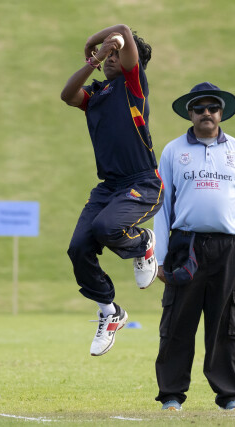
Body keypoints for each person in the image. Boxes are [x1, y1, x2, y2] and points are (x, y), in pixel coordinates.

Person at [153, 82, 235, 411]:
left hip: (228, 247)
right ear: (190, 114)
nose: (206, 113)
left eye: (213, 108)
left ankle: (230, 396)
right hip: (185, 245)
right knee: (177, 322)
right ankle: (171, 395)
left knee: (226, 324)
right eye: (199, 108)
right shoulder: (173, 151)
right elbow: (161, 207)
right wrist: (158, 258)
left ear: (221, 113)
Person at [60, 25, 163, 357]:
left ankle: (143, 243)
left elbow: (121, 29)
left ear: (132, 62)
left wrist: (99, 42)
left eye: (117, 54)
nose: (110, 59)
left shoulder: (133, 84)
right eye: (108, 56)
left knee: (107, 227)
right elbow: (67, 95)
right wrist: (94, 57)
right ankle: (110, 311)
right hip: (108, 188)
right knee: (78, 248)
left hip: (142, 182)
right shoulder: (95, 94)